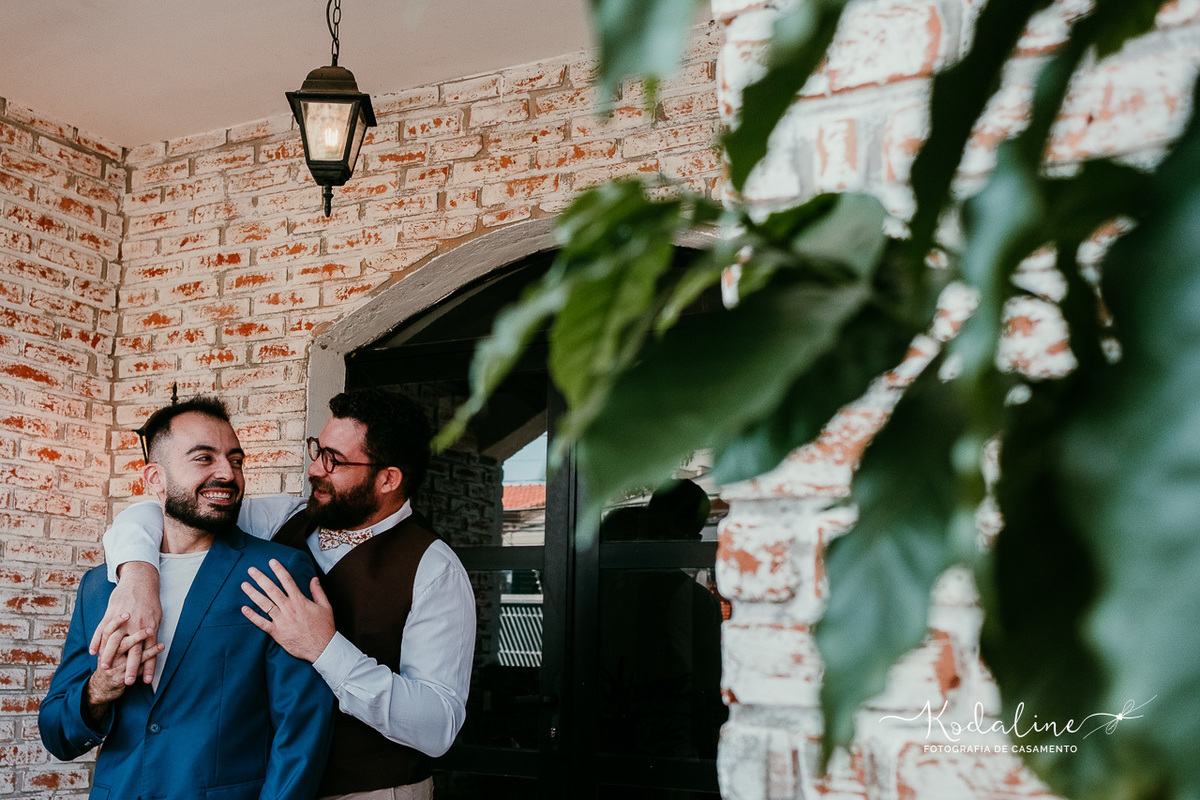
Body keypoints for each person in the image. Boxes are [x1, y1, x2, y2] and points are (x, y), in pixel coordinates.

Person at [94, 388, 476, 800]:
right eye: (318, 450)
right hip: (272, 786)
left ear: (388, 479)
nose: (314, 468)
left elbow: (439, 726)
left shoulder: (434, 569)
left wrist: (325, 648)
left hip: (372, 791)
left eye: (334, 460)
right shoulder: (282, 518)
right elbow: (168, 505)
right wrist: (137, 576)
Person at [39, 397, 334, 800]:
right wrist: (98, 690)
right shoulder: (101, 587)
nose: (227, 474)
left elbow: (301, 728)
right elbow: (56, 733)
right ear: (155, 479)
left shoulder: (277, 570)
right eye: (204, 458)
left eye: (236, 460)